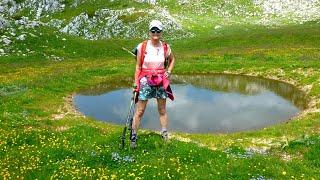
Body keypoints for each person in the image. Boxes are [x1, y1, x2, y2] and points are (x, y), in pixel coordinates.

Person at [130, 20, 175, 148]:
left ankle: (164, 132)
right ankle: (134, 134)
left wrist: (169, 71)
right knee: (140, 110)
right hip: (145, 80)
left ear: (161, 33)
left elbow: (172, 60)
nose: (155, 33)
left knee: (162, 109)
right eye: (153, 31)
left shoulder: (165, 47)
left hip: (161, 80)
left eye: (158, 31)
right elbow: (138, 66)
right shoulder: (142, 46)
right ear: (149, 32)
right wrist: (136, 82)